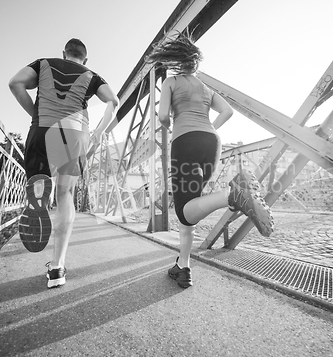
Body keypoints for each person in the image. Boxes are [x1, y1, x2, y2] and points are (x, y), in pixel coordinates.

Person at [146, 31, 273, 288]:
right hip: (211, 142)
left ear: (178, 62)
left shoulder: (171, 83)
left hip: (186, 142)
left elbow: (161, 117)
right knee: (191, 208)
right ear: (196, 64)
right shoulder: (206, 88)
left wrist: (172, 125)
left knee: (183, 210)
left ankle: (233, 195)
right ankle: (184, 267)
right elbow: (227, 111)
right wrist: (210, 127)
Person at [9, 38, 119, 288]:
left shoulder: (43, 63)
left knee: (40, 181)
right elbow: (114, 101)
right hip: (74, 133)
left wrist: (36, 115)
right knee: (66, 194)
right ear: (85, 59)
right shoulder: (92, 75)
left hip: (42, 129)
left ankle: (38, 194)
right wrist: (100, 131)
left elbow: (15, 83)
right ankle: (57, 269)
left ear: (64, 53)